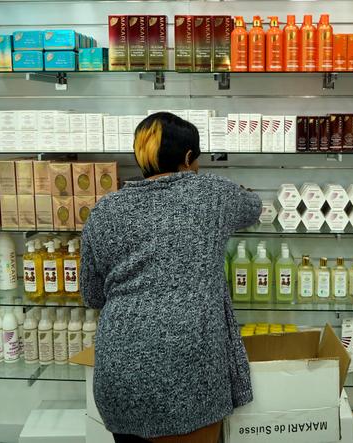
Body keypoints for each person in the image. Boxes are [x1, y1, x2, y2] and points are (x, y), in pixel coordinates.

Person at [80, 112, 262, 443]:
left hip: (118, 373)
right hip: (190, 371)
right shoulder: (212, 194)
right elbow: (254, 208)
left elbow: (92, 296)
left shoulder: (104, 209)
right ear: (189, 158)